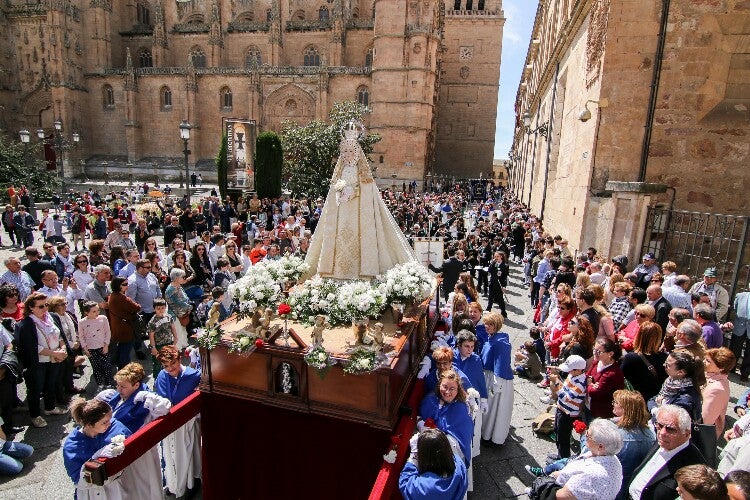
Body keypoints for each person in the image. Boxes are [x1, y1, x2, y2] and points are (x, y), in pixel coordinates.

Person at [306, 122, 418, 281]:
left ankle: (362, 273)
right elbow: (333, 190)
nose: (347, 154)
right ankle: (334, 273)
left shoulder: (362, 170)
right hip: (341, 212)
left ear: (357, 152)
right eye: (344, 151)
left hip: (359, 212)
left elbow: (368, 191)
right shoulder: (340, 169)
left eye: (351, 150)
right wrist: (340, 191)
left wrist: (355, 190)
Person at [530, 419, 624, 500]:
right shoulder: (612, 458)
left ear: (600, 446)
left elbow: (561, 496)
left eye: (588, 435)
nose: (585, 436)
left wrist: (544, 486)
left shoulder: (591, 475)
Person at [628, 404, 706, 500]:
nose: (662, 433)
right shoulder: (664, 441)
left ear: (686, 433)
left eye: (670, 429)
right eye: (659, 425)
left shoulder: (694, 466)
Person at [14, 292, 69, 428]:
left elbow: (60, 334)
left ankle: (49, 408)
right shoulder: (26, 324)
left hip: (54, 358)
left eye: (46, 305)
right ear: (31, 308)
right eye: (40, 306)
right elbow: (31, 346)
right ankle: (35, 415)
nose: (45, 309)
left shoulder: (51, 317)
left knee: (51, 384)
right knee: (35, 388)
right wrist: (54, 353)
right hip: (38, 362)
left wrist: (63, 349)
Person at [155, 345, 202, 497]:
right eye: (165, 366)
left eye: (173, 364)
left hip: (188, 425)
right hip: (170, 426)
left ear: (180, 359)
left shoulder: (193, 375)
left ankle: (191, 483)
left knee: (189, 455)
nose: (170, 369)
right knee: (170, 457)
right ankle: (174, 483)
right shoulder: (162, 376)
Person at [62, 398, 132, 497]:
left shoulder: (114, 427)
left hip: (119, 486)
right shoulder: (72, 447)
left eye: (110, 419)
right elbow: (80, 480)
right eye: (104, 422)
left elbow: (132, 445)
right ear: (89, 424)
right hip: (95, 493)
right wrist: (100, 455)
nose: (110, 423)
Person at [418, 369, 474, 466]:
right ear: (439, 385)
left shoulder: (460, 407)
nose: (447, 392)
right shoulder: (430, 400)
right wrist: (420, 423)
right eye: (444, 387)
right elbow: (422, 417)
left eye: (452, 388)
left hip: (452, 453)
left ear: (458, 389)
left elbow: (460, 438)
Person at [399, 428, 469, 500]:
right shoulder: (459, 463)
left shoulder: (426, 488)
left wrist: (414, 455)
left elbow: (405, 484)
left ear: (426, 456)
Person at [480, 311, 513, 445]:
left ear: (497, 326)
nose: (487, 326)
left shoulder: (500, 343)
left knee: (494, 410)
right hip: (489, 376)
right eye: (486, 324)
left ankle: (492, 436)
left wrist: (496, 386)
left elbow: (500, 366)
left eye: (490, 324)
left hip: (497, 380)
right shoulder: (492, 338)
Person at [620, 321, 668, 402]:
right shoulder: (664, 358)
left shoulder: (631, 358)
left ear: (639, 336)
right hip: (655, 400)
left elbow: (620, 378)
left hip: (635, 401)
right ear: (658, 338)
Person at [649, 350, 703, 423]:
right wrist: (655, 409)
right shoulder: (670, 382)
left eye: (668, 365)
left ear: (681, 372)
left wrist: (659, 408)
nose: (663, 365)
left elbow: (669, 420)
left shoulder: (687, 398)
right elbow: (652, 400)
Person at [553, 354, 588, 459]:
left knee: (563, 438)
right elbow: (564, 389)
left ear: (578, 370)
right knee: (557, 432)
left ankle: (563, 459)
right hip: (561, 408)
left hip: (568, 414)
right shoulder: (572, 375)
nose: (568, 372)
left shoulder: (581, 383)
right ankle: (560, 455)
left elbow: (567, 397)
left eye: (570, 370)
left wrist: (556, 383)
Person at [107, 276, 142, 370]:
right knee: (125, 353)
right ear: (118, 286)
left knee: (121, 351)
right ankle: (125, 372)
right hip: (125, 329)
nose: (127, 286)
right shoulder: (121, 298)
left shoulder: (112, 296)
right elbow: (137, 307)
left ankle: (121, 369)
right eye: (124, 284)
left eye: (127, 283)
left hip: (118, 328)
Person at [586, 337, 625, 419]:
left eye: (598, 351)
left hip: (603, 413)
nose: (595, 353)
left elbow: (595, 393)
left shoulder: (612, 373)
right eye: (594, 349)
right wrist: (592, 384)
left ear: (610, 354)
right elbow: (587, 376)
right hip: (590, 407)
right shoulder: (597, 362)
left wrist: (589, 383)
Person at [78, 300, 113, 391]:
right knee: (96, 367)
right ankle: (100, 384)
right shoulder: (82, 322)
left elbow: (107, 332)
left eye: (98, 310)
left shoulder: (103, 318)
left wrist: (106, 345)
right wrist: (85, 348)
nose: (97, 313)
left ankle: (108, 383)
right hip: (91, 348)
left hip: (102, 346)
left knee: (107, 366)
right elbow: (81, 336)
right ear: (86, 312)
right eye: (94, 311)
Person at [702, 347, 736, 438]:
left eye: (708, 361)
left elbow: (704, 420)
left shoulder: (716, 389)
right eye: (704, 359)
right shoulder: (712, 377)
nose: (703, 362)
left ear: (721, 368)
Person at [164, 268, 192, 349]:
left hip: (182, 314)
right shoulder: (171, 289)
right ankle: (177, 350)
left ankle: (184, 345)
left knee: (183, 330)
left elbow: (185, 298)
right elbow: (178, 303)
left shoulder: (179, 286)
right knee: (178, 332)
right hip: (175, 315)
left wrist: (189, 306)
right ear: (176, 278)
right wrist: (189, 307)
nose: (184, 278)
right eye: (182, 277)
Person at [486, 251, 509, 316]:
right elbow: (489, 270)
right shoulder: (494, 263)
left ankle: (503, 312)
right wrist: (492, 263)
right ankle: (488, 309)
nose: (496, 258)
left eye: (497, 256)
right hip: (492, 283)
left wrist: (504, 286)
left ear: (501, 257)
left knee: (500, 299)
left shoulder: (505, 265)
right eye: (495, 256)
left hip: (499, 284)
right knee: (490, 297)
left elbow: (505, 277)